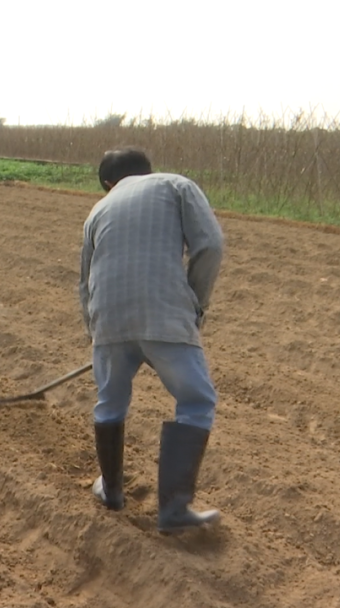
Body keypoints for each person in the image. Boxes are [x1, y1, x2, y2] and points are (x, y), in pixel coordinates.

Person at [78, 146, 225, 533]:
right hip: (165, 312)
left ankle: (110, 491)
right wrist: (194, 304)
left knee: (110, 401)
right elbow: (210, 245)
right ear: (148, 170)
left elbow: (84, 281)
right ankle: (174, 511)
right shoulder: (176, 185)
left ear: (109, 184)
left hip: (107, 319)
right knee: (195, 400)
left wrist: (97, 334)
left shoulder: (97, 210)